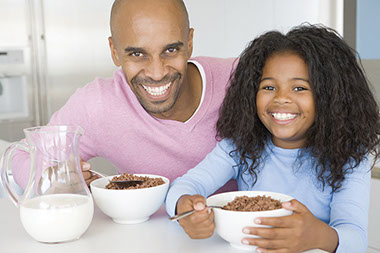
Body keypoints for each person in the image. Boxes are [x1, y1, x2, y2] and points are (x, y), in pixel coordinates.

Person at [165, 24, 380, 253]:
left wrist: (317, 236)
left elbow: (356, 239)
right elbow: (185, 185)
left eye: (299, 88)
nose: (281, 99)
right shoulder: (240, 147)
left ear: (330, 97)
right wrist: (186, 208)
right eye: (269, 87)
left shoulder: (350, 157)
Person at [11, 0, 237, 193]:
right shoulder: (100, 104)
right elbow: (22, 155)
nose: (157, 73)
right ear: (114, 51)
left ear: (189, 42)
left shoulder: (241, 81)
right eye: (137, 54)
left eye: (170, 50)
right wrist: (52, 181)